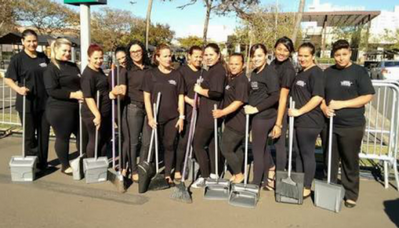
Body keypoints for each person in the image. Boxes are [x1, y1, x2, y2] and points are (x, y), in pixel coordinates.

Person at [321, 39, 374, 208]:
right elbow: (320, 96)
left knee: (349, 160)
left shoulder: (359, 72)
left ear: (350, 53)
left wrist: (341, 104)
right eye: (337, 55)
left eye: (344, 54)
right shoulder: (328, 72)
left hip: (352, 125)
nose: (341, 58)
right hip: (330, 124)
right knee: (329, 158)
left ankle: (351, 193)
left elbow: (367, 96)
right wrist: (324, 108)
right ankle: (330, 188)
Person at [5, 29, 50, 170]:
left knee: (44, 134)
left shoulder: (43, 57)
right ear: (23, 42)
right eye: (29, 41)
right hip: (27, 103)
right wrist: (18, 89)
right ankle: (31, 163)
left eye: (34, 41)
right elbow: (8, 78)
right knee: (29, 136)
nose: (32, 44)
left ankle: (42, 163)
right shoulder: (17, 59)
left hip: (44, 103)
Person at [142, 44, 185, 185]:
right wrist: (150, 117)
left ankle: (167, 174)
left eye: (170, 56)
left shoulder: (177, 75)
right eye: (165, 56)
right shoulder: (150, 74)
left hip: (172, 117)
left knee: (169, 145)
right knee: (153, 145)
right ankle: (151, 172)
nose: (168, 59)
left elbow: (180, 97)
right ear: (158, 57)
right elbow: (147, 97)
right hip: (155, 116)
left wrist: (181, 117)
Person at [288, 42, 325, 198]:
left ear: (313, 56)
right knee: (298, 153)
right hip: (297, 120)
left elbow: (317, 97)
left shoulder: (316, 73)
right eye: (300, 55)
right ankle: (299, 181)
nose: (302, 58)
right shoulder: (301, 72)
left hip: (309, 121)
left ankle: (307, 186)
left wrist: (299, 111)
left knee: (307, 153)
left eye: (306, 56)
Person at [43, 38, 84, 175]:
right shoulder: (51, 68)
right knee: (63, 137)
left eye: (69, 51)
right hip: (59, 109)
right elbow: (52, 90)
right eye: (64, 51)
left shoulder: (72, 66)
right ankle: (65, 166)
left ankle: (82, 160)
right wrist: (73, 95)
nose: (67, 53)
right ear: (56, 50)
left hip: (75, 108)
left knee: (81, 135)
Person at [244, 43, 280, 189]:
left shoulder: (270, 72)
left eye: (259, 55)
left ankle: (254, 183)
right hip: (256, 114)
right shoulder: (254, 72)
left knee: (257, 150)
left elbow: (275, 96)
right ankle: (270, 169)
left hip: (264, 116)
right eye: (253, 56)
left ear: (266, 55)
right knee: (262, 147)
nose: (256, 59)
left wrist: (255, 109)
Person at [191, 43, 226, 188]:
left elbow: (217, 92)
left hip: (210, 114)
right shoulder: (211, 70)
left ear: (218, 55)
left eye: (211, 54)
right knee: (211, 144)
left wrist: (200, 90)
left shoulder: (218, 71)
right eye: (206, 55)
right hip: (208, 112)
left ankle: (204, 176)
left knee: (197, 144)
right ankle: (214, 172)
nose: (208, 57)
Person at [80, 44, 123, 158]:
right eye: (96, 58)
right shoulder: (88, 75)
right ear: (89, 57)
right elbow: (88, 97)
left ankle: (101, 164)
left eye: (101, 58)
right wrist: (97, 115)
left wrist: (111, 94)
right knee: (95, 139)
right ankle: (91, 166)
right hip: (93, 113)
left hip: (104, 111)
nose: (99, 61)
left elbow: (103, 91)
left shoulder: (99, 71)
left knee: (104, 139)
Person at [213, 53, 249, 184]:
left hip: (238, 121)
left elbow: (238, 102)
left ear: (243, 65)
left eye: (237, 64)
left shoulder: (242, 81)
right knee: (236, 148)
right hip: (231, 120)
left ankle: (239, 174)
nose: (233, 66)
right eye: (231, 63)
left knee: (226, 148)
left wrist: (222, 112)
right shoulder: (233, 78)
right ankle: (237, 173)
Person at [120, 40, 152, 182]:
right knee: (133, 142)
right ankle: (133, 170)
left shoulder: (150, 68)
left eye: (138, 51)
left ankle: (141, 167)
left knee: (146, 142)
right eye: (132, 52)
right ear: (129, 54)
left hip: (149, 109)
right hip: (133, 108)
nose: (136, 54)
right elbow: (121, 89)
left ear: (143, 51)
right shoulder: (126, 69)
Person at [268, 36, 297, 190]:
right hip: (268, 109)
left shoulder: (288, 70)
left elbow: (283, 97)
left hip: (280, 110)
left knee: (279, 145)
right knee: (264, 142)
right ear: (275, 49)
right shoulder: (272, 64)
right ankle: (271, 168)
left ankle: (279, 178)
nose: (282, 53)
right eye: (279, 49)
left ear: (290, 52)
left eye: (286, 50)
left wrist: (278, 123)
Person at [174, 45, 202, 181]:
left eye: (200, 56)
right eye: (195, 56)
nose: (198, 59)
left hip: (199, 111)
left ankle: (192, 167)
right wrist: (189, 100)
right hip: (185, 109)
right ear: (189, 57)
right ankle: (178, 169)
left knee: (196, 141)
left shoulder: (203, 72)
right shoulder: (182, 71)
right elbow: (177, 92)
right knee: (183, 141)